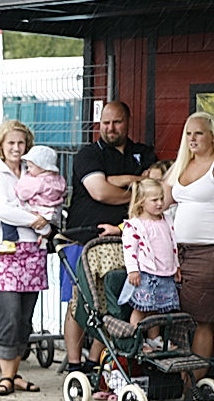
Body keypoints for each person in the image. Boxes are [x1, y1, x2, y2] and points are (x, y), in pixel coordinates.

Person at [62, 101, 156, 373]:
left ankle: (95, 361)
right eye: (105, 123)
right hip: (83, 240)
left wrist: (119, 180)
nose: (110, 128)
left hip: (127, 241)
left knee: (112, 303)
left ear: (128, 122)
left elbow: (156, 184)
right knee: (78, 302)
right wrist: (136, 192)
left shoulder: (143, 153)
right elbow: (100, 191)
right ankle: (74, 365)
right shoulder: (88, 154)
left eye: (116, 122)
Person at [0, 121, 48, 396]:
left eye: (21, 143)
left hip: (31, 250)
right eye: (11, 143)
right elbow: (3, 209)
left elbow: (48, 203)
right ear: (1, 145)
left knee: (25, 317)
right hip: (2, 249)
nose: (16, 148)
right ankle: (5, 376)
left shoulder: (34, 173)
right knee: (9, 313)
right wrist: (36, 220)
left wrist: (43, 223)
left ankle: (14, 373)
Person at [165, 111, 214, 373]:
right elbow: (157, 198)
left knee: (202, 318)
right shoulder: (182, 163)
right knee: (179, 317)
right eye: (188, 133)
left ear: (212, 136)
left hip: (207, 252)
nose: (192, 138)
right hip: (175, 254)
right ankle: (179, 377)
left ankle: (194, 387)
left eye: (199, 133)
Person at [120, 179, 179, 348]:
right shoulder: (135, 225)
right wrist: (132, 270)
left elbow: (173, 245)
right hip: (145, 274)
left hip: (165, 273)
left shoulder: (166, 221)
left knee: (156, 309)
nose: (160, 203)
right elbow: (129, 249)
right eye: (154, 200)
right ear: (141, 201)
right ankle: (136, 339)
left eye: (161, 198)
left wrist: (176, 266)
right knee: (141, 309)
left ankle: (154, 338)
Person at [0, 143, 66, 254]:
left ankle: (9, 240)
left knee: (8, 215)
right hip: (50, 211)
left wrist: (20, 184)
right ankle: (46, 233)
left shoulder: (37, 181)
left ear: (42, 167)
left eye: (31, 167)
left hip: (36, 209)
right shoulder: (58, 180)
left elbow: (22, 193)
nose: (28, 170)